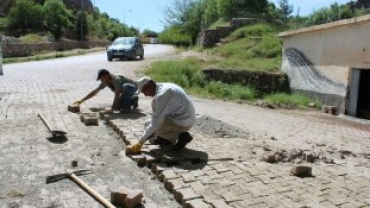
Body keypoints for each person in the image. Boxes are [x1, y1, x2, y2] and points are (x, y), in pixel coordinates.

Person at [131, 76, 196, 153]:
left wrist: (140, 142)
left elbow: (155, 124)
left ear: (150, 86)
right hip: (182, 118)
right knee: (153, 109)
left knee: (151, 129)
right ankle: (167, 138)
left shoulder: (163, 94)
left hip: (184, 121)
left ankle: (181, 136)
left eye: (144, 91)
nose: (145, 95)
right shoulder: (163, 87)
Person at [73, 69, 138, 111]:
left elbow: (117, 95)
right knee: (118, 107)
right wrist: (82, 100)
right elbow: (95, 92)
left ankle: (127, 108)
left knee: (125, 86)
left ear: (106, 76)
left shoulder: (116, 80)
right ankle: (133, 100)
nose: (101, 80)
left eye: (101, 78)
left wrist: (112, 109)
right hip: (125, 93)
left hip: (132, 88)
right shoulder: (106, 82)